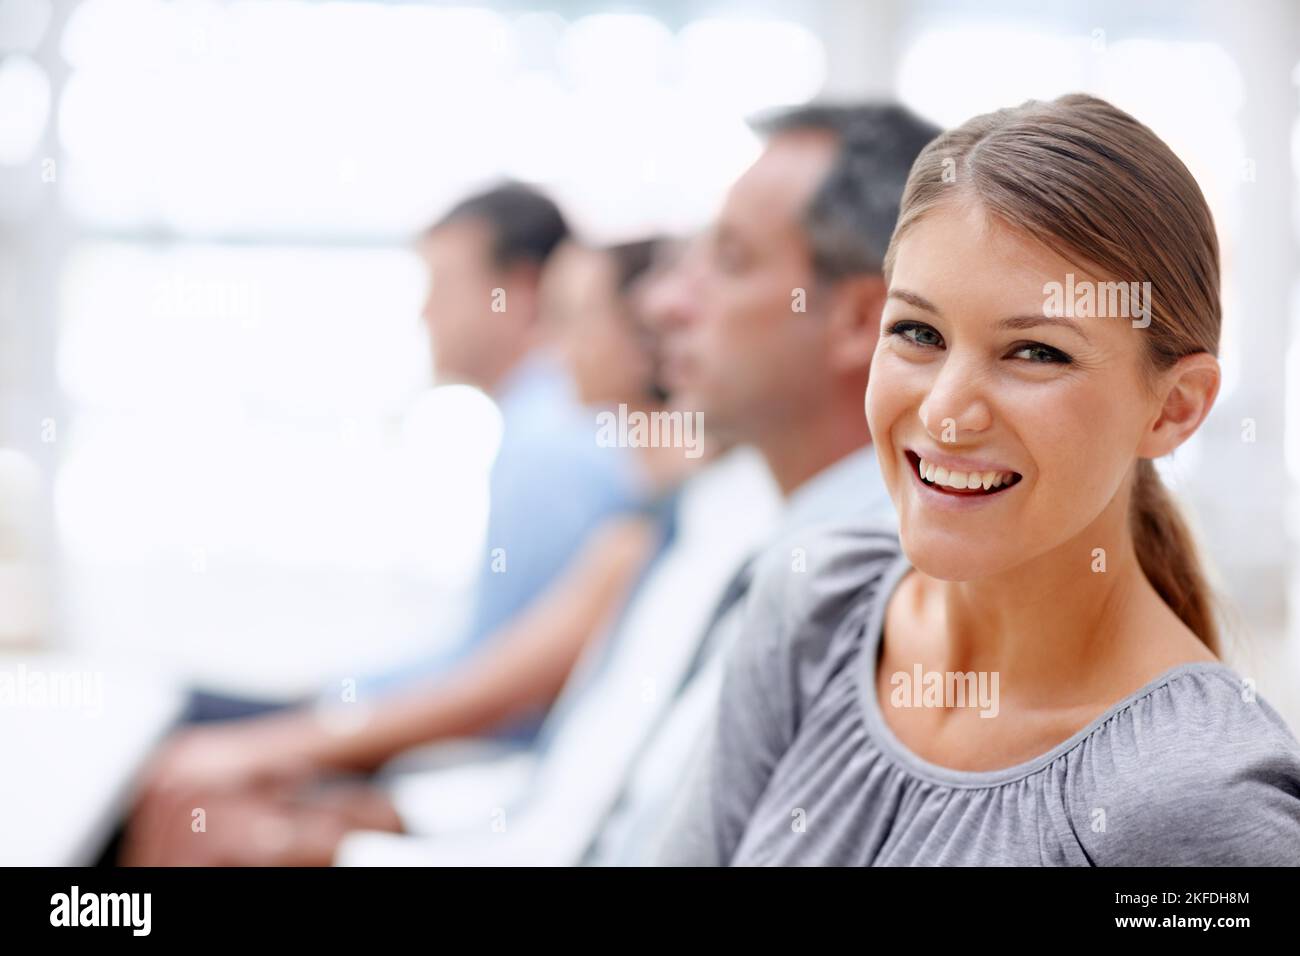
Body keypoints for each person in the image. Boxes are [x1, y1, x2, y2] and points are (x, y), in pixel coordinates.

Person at [659, 94, 1300, 866]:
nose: (946, 412)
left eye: (1035, 351)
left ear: (1173, 409)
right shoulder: (811, 608)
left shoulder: (1196, 800)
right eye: (918, 333)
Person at [332, 102, 938, 867]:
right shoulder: (751, 529)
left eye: (731, 260)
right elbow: (600, 808)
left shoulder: (864, 589)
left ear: (858, 321)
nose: (660, 306)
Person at [117, 226, 678, 863]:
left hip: (481, 780)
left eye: (571, 320)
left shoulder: (569, 467)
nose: (556, 348)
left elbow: (501, 695)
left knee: (185, 785)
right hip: (485, 786)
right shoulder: (647, 507)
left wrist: (314, 772)